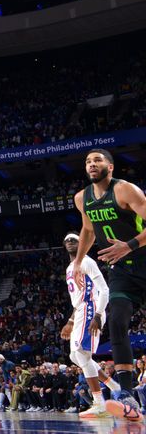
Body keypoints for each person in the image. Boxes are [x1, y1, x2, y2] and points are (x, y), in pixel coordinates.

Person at [70, 148, 146, 421]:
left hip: (142, 256)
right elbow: (88, 230)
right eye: (88, 161)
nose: (92, 164)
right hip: (122, 271)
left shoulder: (126, 191)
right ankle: (127, 395)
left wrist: (130, 245)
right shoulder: (82, 198)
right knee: (116, 321)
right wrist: (78, 261)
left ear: (111, 167)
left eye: (97, 160)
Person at [61, 230, 121, 418]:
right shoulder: (70, 268)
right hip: (80, 311)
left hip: (90, 309)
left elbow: (104, 289)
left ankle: (99, 403)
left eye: (74, 240)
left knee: (81, 353)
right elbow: (77, 299)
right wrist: (70, 321)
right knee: (74, 356)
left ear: (82, 244)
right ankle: (113, 386)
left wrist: (97, 315)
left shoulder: (86, 261)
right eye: (67, 240)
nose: (70, 241)